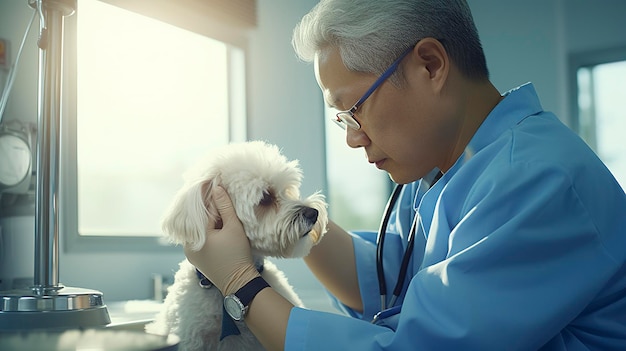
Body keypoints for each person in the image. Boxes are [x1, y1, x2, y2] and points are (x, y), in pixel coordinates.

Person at [184, 0, 626, 349]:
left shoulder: (537, 181)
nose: (352, 139)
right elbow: (381, 282)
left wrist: (240, 284)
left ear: (430, 65)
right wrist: (280, 212)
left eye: (352, 110)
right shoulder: (438, 172)